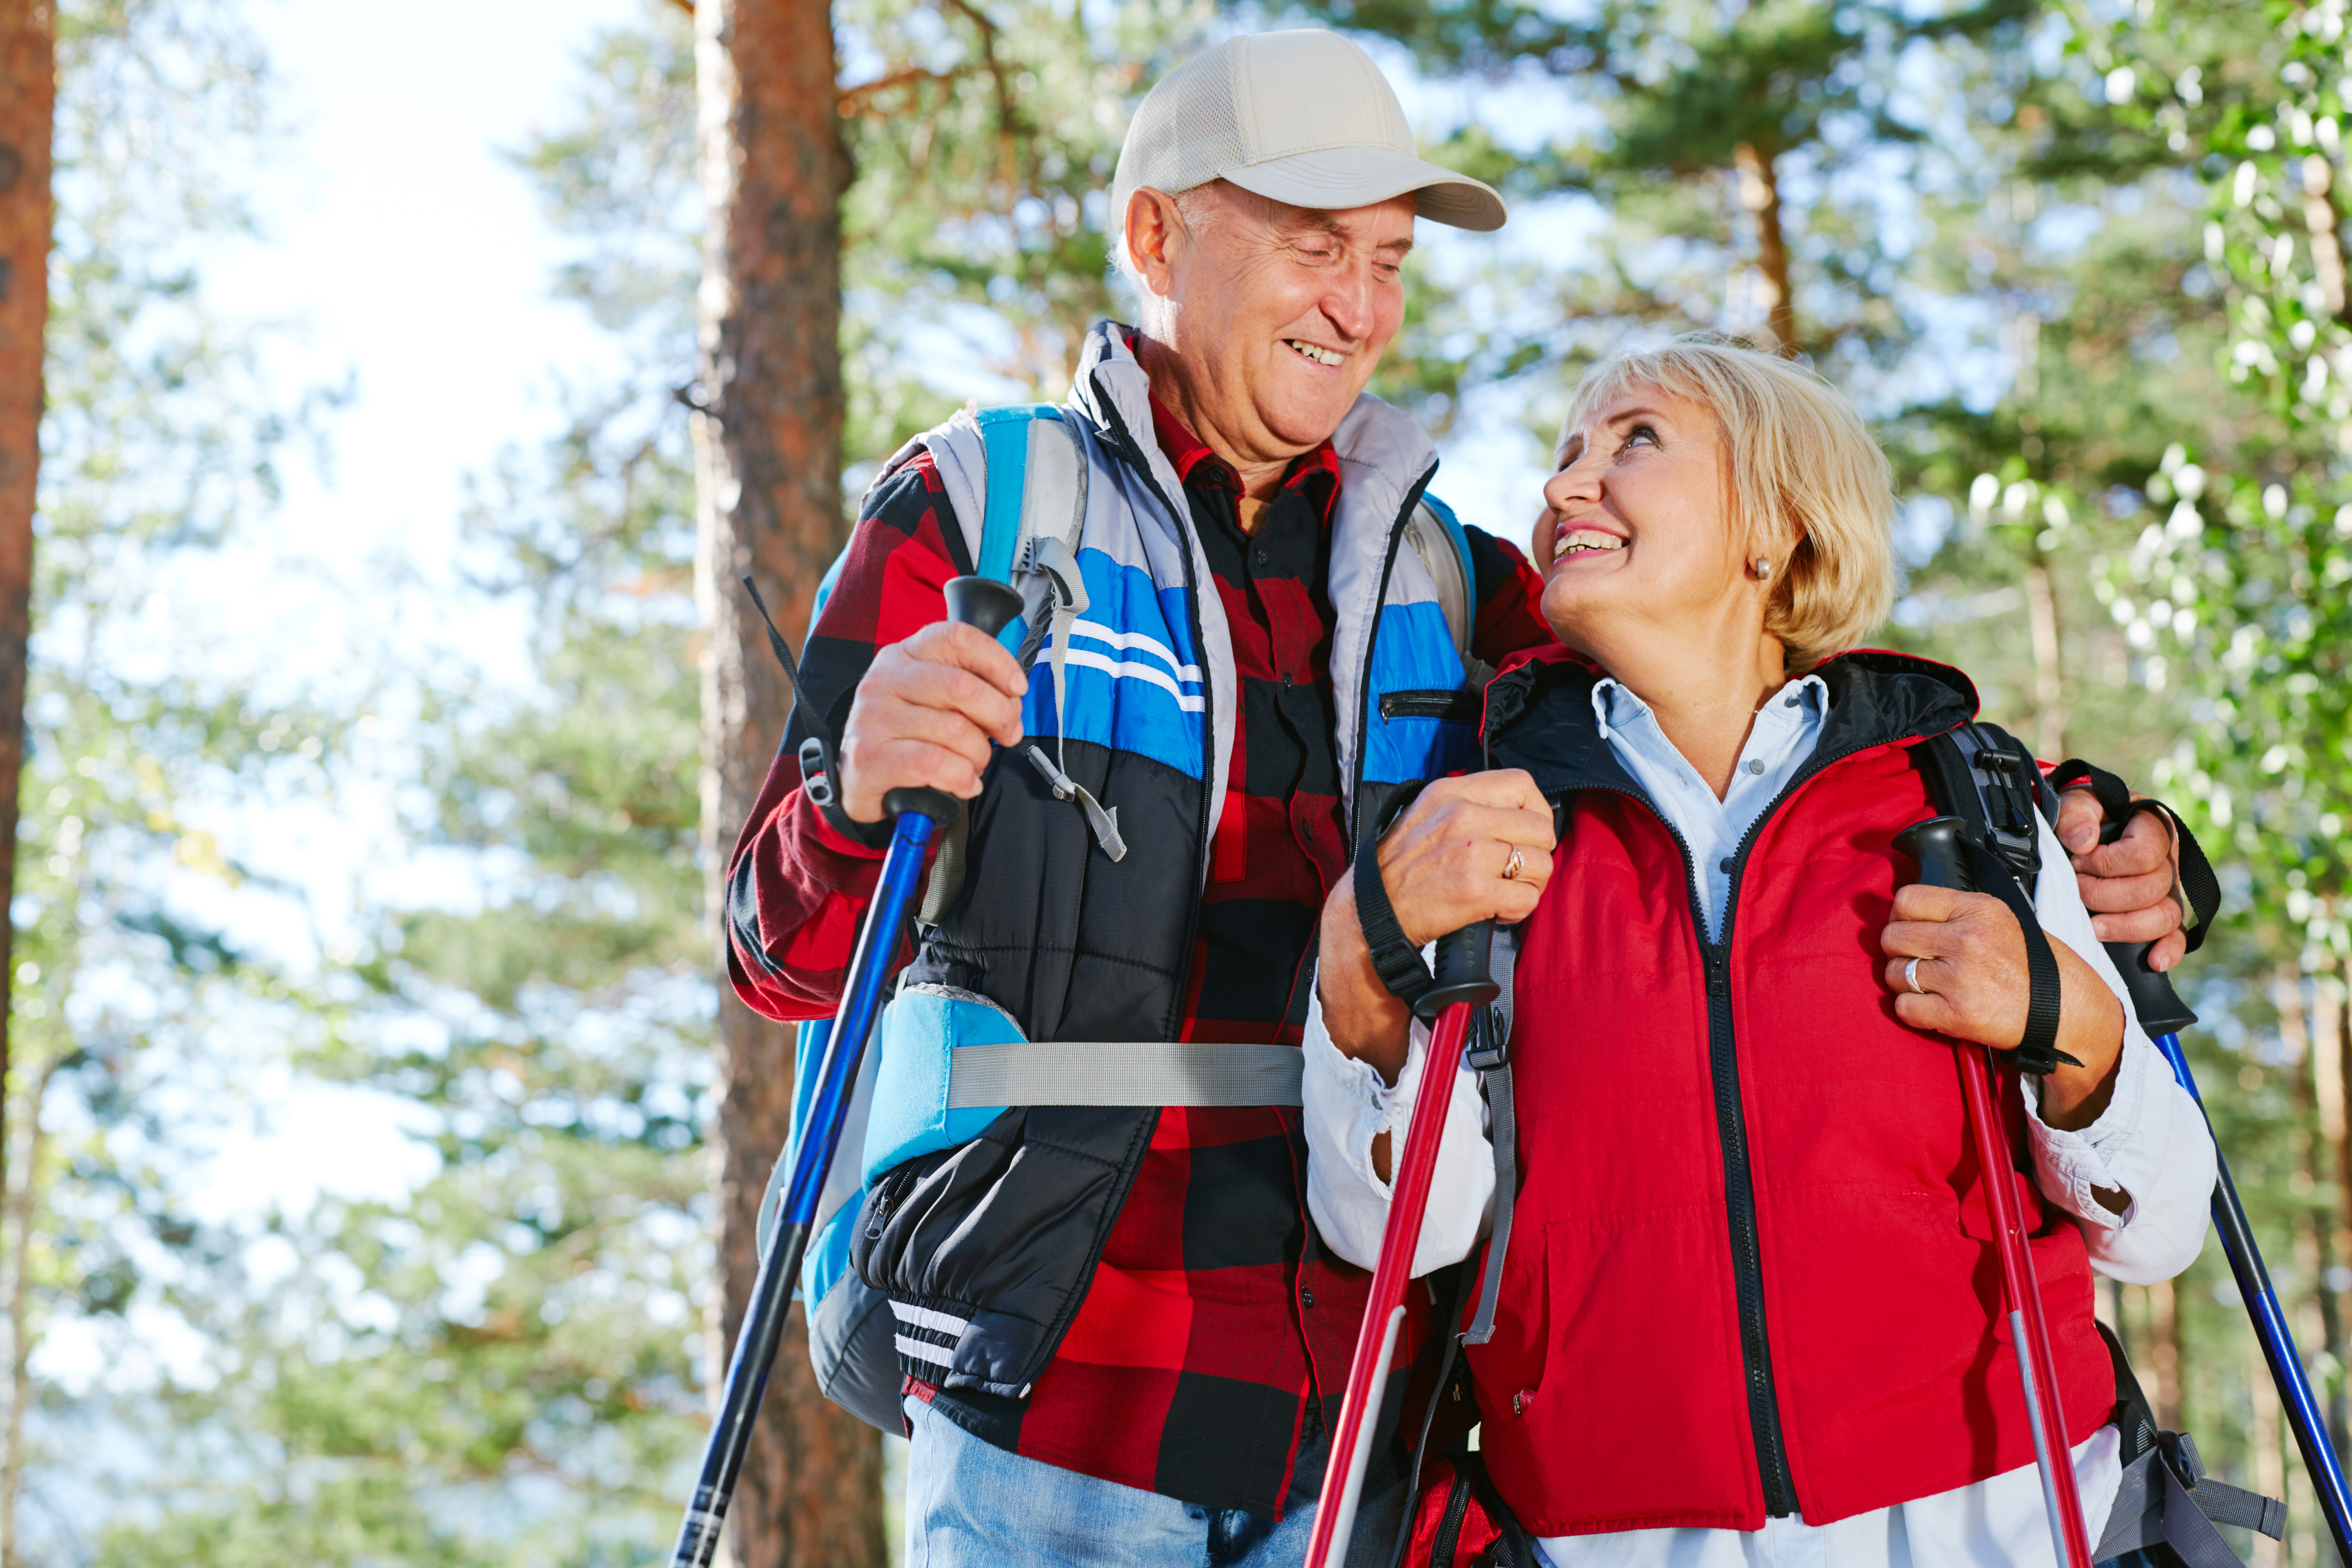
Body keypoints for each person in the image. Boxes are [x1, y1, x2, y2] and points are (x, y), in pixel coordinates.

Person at [724, 29, 2190, 1565]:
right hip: (1068, 1419)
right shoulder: (979, 507)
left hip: (1385, 1432)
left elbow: (1740, 706)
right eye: (1314, 249)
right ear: (1159, 233)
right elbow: (780, 958)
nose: (1359, 309)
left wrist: (2060, 813)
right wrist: (851, 789)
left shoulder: (1450, 582)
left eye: (1389, 261)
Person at [1305, 336, 2217, 1566]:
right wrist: (1359, 961)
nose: (1567, 486)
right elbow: (1398, 1236)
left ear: (1775, 530)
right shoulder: (1488, 825)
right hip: (1611, 1534)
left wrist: (2071, 1019)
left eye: (1634, 441)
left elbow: (2158, 1231)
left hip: (2006, 1518)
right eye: (1567, 453)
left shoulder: (1963, 794)